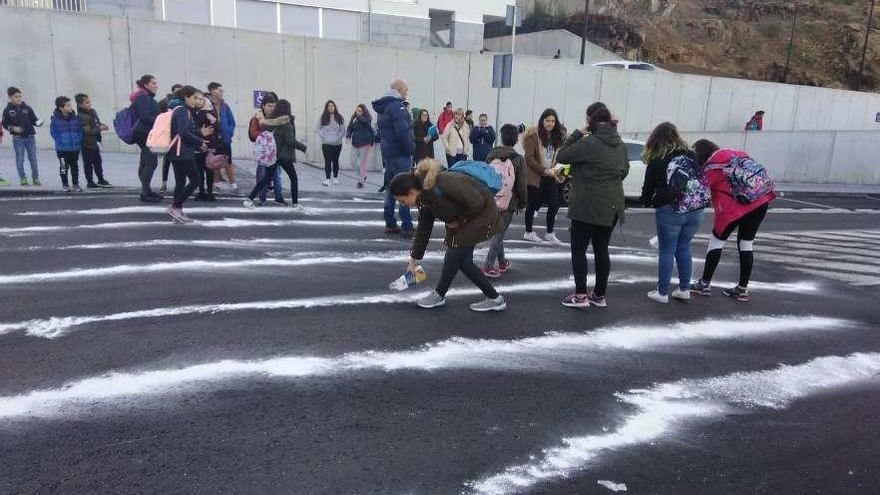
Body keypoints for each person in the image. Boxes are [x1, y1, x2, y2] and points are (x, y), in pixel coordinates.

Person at [391, 159, 506, 312]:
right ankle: (490, 298)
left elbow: (477, 201)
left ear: (411, 191)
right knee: (461, 260)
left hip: (482, 215)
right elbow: (424, 228)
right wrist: (413, 260)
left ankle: (493, 298)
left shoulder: (443, 182)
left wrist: (459, 221)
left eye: (403, 201)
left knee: (455, 256)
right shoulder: (423, 197)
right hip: (463, 221)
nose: (404, 204)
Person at [557, 106, 628, 309]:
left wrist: (578, 133)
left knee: (579, 249)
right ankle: (599, 294)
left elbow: (562, 155)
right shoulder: (620, 145)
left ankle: (580, 296)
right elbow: (624, 171)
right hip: (613, 205)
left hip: (587, 204)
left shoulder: (589, 142)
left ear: (590, 121)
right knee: (601, 249)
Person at [691, 140, 776, 302]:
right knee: (746, 243)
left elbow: (699, 191)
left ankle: (704, 284)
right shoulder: (738, 154)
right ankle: (742, 289)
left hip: (733, 207)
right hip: (760, 201)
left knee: (716, 242)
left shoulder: (712, 166)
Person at [640, 122, 704, 304]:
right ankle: (684, 289)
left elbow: (649, 185)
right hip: (695, 208)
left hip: (670, 208)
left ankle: (662, 292)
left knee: (667, 250)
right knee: (684, 247)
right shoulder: (691, 155)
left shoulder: (659, 157)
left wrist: (646, 201)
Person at [482, 124, 528, 278]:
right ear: (516, 140)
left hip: (491, 199)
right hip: (509, 202)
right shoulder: (518, 159)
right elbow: (522, 185)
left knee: (498, 232)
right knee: (499, 234)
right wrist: (522, 203)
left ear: (501, 138)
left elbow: (484, 175)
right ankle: (488, 266)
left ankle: (502, 263)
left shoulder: (491, 155)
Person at [244, 99, 307, 209]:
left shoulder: (272, 121)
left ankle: (249, 200)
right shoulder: (286, 123)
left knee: (266, 179)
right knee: (293, 178)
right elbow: (290, 141)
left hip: (273, 154)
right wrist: (304, 148)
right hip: (283, 156)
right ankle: (295, 204)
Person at [372, 77, 416, 237]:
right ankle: (406, 224)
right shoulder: (397, 106)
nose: (407, 94)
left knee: (391, 188)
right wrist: (410, 149)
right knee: (404, 189)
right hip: (400, 154)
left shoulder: (384, 107)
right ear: (400, 90)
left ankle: (390, 222)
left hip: (388, 153)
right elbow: (402, 132)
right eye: (406, 90)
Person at [522, 108, 566, 245]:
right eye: (547, 120)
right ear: (542, 121)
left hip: (551, 175)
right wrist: (543, 170)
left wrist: (558, 170)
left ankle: (549, 233)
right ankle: (528, 232)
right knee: (532, 205)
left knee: (554, 204)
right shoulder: (533, 136)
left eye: (553, 121)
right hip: (536, 175)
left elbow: (557, 156)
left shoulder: (556, 136)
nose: (550, 123)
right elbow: (528, 158)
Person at [165, 86, 207, 223]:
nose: (198, 101)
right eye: (195, 98)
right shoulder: (183, 111)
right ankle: (175, 206)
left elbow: (186, 131)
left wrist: (199, 135)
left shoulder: (181, 110)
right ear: (186, 97)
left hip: (177, 151)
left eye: (200, 99)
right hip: (181, 151)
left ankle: (178, 212)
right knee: (196, 180)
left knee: (181, 182)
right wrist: (200, 141)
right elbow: (182, 132)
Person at [250, 93, 286, 205]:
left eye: (274, 106)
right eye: (269, 105)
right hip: (263, 153)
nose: (272, 108)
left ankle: (279, 197)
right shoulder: (256, 118)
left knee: (277, 175)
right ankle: (262, 198)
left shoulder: (277, 118)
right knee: (261, 175)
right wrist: (268, 135)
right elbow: (253, 133)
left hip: (276, 152)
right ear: (263, 106)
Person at [2, 86, 42, 186]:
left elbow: (34, 119)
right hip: (18, 139)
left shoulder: (27, 108)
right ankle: (23, 178)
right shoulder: (7, 110)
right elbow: (4, 123)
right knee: (20, 159)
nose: (19, 98)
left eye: (20, 96)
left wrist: (38, 122)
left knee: (33, 159)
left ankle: (35, 178)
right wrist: (12, 128)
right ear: (10, 98)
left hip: (30, 138)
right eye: (16, 97)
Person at [130, 75, 161, 202]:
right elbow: (145, 117)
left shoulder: (144, 97)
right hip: (145, 133)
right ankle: (145, 193)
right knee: (151, 163)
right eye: (153, 83)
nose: (156, 85)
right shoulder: (143, 98)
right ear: (146, 85)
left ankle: (147, 190)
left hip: (144, 132)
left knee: (145, 162)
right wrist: (161, 119)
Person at [74, 93, 111, 188]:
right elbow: (87, 131)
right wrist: (100, 128)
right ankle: (90, 181)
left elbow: (96, 123)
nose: (89, 104)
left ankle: (101, 179)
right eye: (86, 102)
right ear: (80, 104)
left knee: (98, 162)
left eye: (89, 102)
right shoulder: (81, 116)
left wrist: (102, 125)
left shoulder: (92, 112)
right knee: (88, 164)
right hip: (86, 143)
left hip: (94, 142)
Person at [207, 82, 237, 193]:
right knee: (214, 162)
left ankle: (234, 185)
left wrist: (229, 133)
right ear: (213, 91)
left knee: (228, 161)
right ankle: (216, 184)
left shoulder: (225, 105)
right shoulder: (207, 104)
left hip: (225, 138)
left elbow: (232, 121)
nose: (222, 93)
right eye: (220, 90)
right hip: (213, 139)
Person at [49, 96, 83, 192]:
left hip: (74, 148)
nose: (70, 107)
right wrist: (60, 140)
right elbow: (53, 132)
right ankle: (65, 184)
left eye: (70, 105)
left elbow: (80, 130)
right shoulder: (55, 119)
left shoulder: (75, 118)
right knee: (64, 166)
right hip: (62, 149)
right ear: (61, 107)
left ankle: (75, 184)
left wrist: (78, 139)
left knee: (74, 166)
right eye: (68, 106)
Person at [193, 94, 219, 201]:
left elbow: (216, 129)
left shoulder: (207, 113)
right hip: (203, 144)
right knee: (206, 170)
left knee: (205, 170)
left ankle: (204, 191)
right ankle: (206, 192)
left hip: (205, 145)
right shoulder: (197, 112)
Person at [159, 83, 183, 195]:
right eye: (177, 91)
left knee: (178, 163)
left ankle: (179, 185)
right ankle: (164, 183)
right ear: (173, 91)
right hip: (168, 135)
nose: (179, 93)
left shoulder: (183, 103)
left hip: (178, 137)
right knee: (167, 162)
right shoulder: (165, 102)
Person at [346, 103, 375, 189]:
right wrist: (348, 136)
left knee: (362, 162)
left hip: (365, 142)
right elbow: (349, 127)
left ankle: (361, 181)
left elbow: (366, 122)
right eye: (356, 110)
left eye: (359, 110)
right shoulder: (354, 118)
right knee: (352, 161)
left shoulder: (367, 118)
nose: (357, 112)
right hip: (355, 142)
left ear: (363, 111)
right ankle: (363, 175)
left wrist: (359, 116)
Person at [317, 100, 345, 186]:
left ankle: (335, 177)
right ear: (326, 107)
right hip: (326, 143)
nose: (331, 107)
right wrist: (324, 137)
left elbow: (343, 130)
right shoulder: (323, 117)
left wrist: (337, 138)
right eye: (329, 106)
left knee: (335, 161)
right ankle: (327, 179)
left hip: (337, 143)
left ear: (335, 107)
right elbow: (318, 128)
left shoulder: (339, 117)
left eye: (332, 105)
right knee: (327, 161)